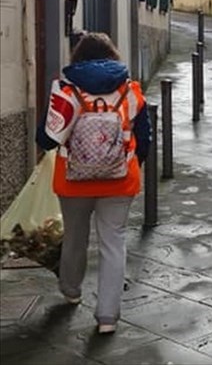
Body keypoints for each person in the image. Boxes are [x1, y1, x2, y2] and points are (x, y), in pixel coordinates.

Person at [36, 32, 150, 335]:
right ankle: (108, 317)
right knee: (114, 244)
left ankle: (71, 289)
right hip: (120, 182)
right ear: (112, 55)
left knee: (75, 237)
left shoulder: (66, 91)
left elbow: (46, 139)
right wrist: (128, 165)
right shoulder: (130, 90)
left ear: (77, 57)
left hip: (72, 183)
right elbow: (145, 139)